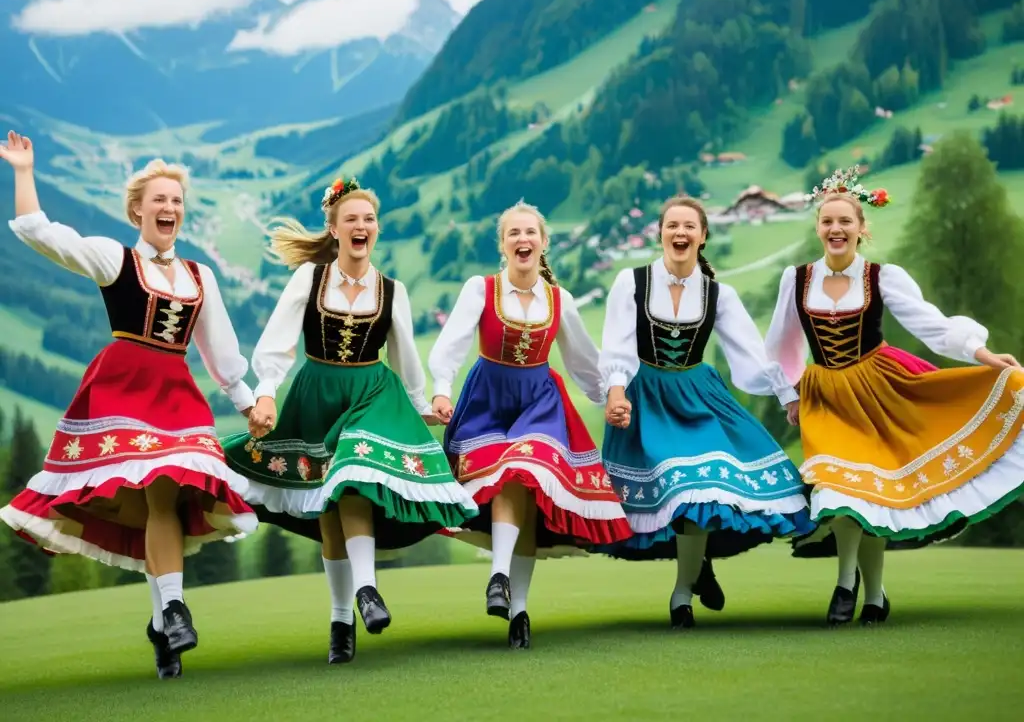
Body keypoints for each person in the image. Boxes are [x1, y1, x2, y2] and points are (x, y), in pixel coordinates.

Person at [0, 131, 258, 679]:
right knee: (150, 499)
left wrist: (246, 401)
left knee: (164, 496)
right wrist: (24, 171)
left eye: (177, 201)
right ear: (137, 210)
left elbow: (220, 350)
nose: (170, 208)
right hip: (120, 389)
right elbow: (42, 233)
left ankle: (167, 615)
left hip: (175, 395)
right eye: (159, 200)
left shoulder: (199, 275)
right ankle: (170, 612)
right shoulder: (114, 260)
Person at [220, 176, 477, 664]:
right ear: (334, 229)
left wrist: (424, 405)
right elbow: (275, 343)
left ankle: (367, 591)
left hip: (371, 394)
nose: (362, 226)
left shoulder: (392, 290)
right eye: (352, 219)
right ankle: (342, 622)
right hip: (316, 394)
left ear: (376, 229)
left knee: (354, 474)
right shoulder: (309, 279)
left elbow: (405, 360)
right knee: (330, 504)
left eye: (369, 219)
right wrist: (267, 395)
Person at [764, 166, 1024, 626]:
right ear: (817, 227)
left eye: (845, 221)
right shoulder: (797, 278)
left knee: (872, 494)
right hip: (824, 395)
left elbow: (934, 326)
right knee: (836, 488)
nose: (836, 228)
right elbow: (781, 345)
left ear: (862, 228)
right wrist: (788, 395)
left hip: (879, 390)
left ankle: (874, 594)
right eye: (828, 221)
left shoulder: (883, 277)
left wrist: (984, 355)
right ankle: (848, 584)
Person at [599, 195, 813, 629]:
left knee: (702, 487)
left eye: (689, 227)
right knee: (681, 489)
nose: (680, 233)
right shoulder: (632, 282)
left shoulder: (719, 293)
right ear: (660, 233)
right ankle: (698, 570)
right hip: (649, 402)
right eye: (672, 226)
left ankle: (682, 593)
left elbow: (750, 358)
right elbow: (617, 345)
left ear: (702, 236)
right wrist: (616, 393)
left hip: (699, 398)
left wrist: (788, 395)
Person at [429, 199, 632, 650]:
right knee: (509, 482)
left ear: (543, 243)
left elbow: (584, 364)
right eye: (514, 234)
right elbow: (451, 345)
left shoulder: (560, 300)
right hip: (486, 403)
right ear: (503, 245)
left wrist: (611, 399)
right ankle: (517, 609)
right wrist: (441, 387)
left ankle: (503, 585)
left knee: (525, 471)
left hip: (539, 405)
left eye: (530, 233)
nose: (523, 240)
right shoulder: (480, 289)